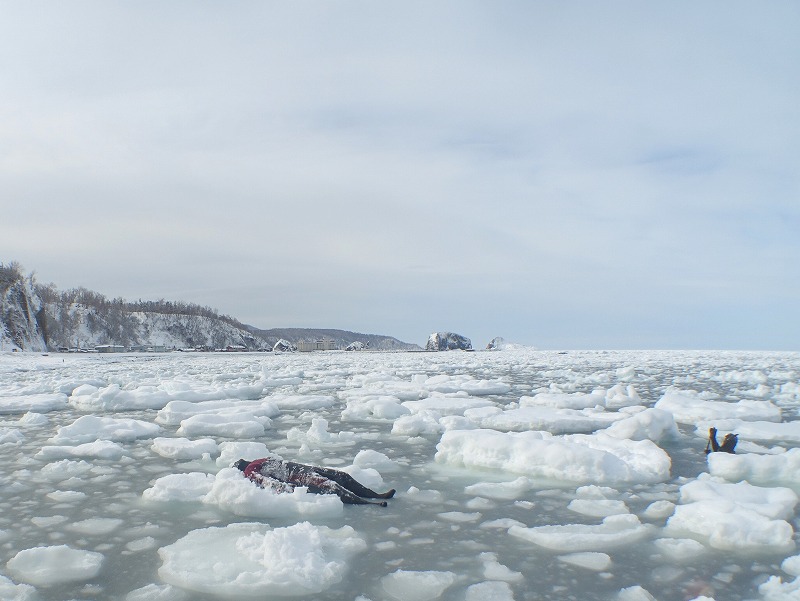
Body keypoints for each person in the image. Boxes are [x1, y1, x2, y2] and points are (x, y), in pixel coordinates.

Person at [233, 457, 396, 506]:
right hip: (298, 475)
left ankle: (376, 495)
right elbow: (266, 482)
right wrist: (286, 489)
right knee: (333, 483)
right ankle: (371, 502)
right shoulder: (250, 470)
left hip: (301, 469)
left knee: (340, 477)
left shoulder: (258, 462)